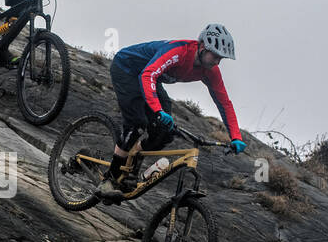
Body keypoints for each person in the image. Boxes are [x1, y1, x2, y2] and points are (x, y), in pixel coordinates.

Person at [98, 24, 247, 200]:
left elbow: (224, 103)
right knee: (137, 124)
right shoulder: (179, 52)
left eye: (221, 58)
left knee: (166, 133)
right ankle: (109, 180)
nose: (217, 62)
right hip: (126, 68)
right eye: (215, 55)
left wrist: (236, 136)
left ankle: (133, 162)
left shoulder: (211, 71)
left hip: (148, 77)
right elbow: (148, 75)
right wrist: (158, 110)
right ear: (203, 47)